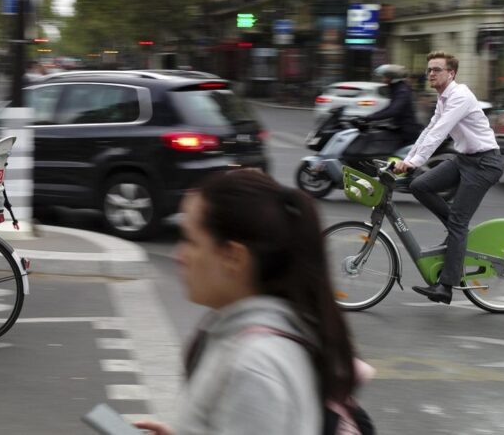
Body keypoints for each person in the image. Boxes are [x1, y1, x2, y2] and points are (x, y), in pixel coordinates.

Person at [134, 170, 359, 435]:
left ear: (233, 257)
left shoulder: (254, 366)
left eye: (190, 241)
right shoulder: (249, 338)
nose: (178, 255)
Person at [396, 51, 504, 305]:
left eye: (437, 69)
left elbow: (440, 133)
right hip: (465, 159)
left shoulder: (460, 96)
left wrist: (413, 162)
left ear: (451, 73)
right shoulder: (443, 98)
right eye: (429, 70)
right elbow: (429, 130)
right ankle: (458, 233)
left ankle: (445, 287)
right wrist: (408, 162)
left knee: (457, 221)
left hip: (484, 164)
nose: (431, 74)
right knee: (420, 185)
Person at [360, 64, 424, 145]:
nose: (383, 79)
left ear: (393, 78)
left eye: (385, 77)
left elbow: (393, 110)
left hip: (407, 132)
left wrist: (370, 118)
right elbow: (389, 108)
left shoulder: (402, 91)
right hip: (399, 129)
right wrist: (370, 117)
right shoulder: (396, 88)